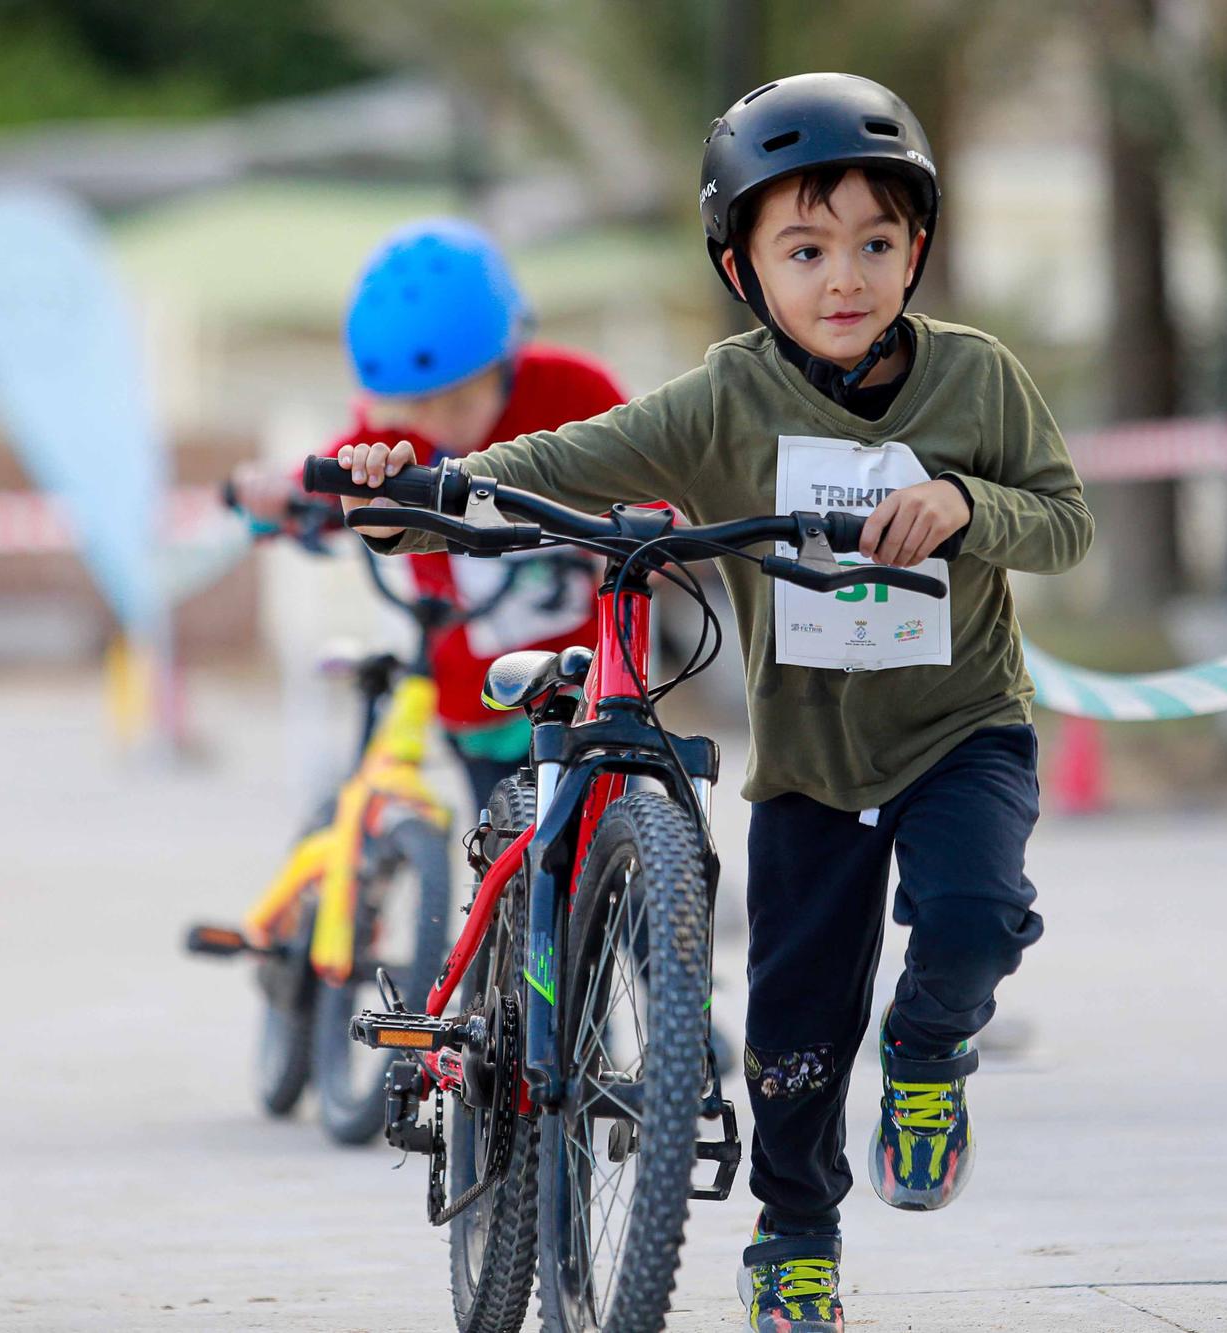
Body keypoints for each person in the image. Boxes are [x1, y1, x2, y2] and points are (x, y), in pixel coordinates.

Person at [337, 72, 1091, 1332]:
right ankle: (795, 1237)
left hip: (962, 731)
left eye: (874, 242)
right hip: (805, 766)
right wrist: (427, 480)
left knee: (976, 913)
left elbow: (1065, 523)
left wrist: (969, 509)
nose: (842, 276)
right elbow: (573, 455)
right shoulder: (726, 398)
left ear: (917, 250)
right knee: (790, 1037)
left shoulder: (978, 381)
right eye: (803, 248)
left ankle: (925, 1056)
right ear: (744, 270)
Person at [233, 218, 622, 808]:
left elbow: (648, 470)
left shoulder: (574, 392)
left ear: (508, 355)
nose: (438, 424)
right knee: (507, 862)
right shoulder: (390, 434)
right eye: (418, 407)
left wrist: (640, 527)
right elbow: (334, 473)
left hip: (586, 678)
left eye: (460, 399)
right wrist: (277, 497)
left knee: (615, 826)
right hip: (477, 700)